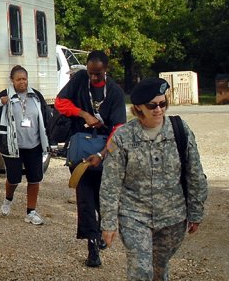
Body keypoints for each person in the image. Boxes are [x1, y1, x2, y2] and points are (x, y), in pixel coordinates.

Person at [100, 77, 208, 281]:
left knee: (159, 269)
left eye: (162, 104)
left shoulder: (180, 130)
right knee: (141, 271)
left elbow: (194, 173)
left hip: (172, 216)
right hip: (134, 215)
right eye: (152, 106)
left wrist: (196, 212)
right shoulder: (123, 137)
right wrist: (108, 222)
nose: (158, 109)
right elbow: (111, 182)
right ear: (139, 108)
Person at [55, 50, 126, 267]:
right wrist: (83, 114)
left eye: (98, 74)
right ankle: (92, 247)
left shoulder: (114, 92)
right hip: (81, 147)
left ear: (106, 70)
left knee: (102, 196)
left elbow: (118, 128)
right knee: (84, 197)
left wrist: (103, 154)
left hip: (106, 149)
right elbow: (60, 102)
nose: (94, 77)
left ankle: (103, 226)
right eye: (90, 73)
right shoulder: (79, 80)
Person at [0, 65, 50, 225]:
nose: (22, 82)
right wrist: (0, 102)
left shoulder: (36, 96)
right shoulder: (5, 95)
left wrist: (49, 141)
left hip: (33, 145)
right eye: (19, 79)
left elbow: (46, 118)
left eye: (24, 79)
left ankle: (31, 212)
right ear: (12, 80)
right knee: (13, 179)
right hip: (12, 146)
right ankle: (8, 200)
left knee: (35, 179)